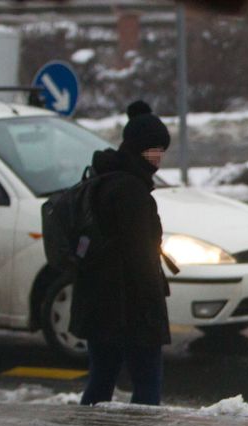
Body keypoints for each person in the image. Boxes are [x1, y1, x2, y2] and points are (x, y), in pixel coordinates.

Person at [73, 101, 172, 406]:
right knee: (147, 383)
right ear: (139, 149)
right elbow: (139, 254)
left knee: (101, 379)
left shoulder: (102, 177)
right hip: (129, 307)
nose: (158, 158)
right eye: (154, 150)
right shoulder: (131, 191)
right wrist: (151, 309)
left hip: (98, 300)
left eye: (162, 150)